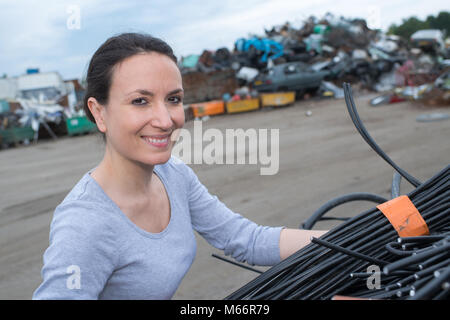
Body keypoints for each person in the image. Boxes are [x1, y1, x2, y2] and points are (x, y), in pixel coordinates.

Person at [33, 33, 327, 300]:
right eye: (140, 101)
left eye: (173, 99)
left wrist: (356, 237)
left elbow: (246, 239)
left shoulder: (174, 175)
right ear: (99, 113)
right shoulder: (85, 223)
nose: (165, 120)